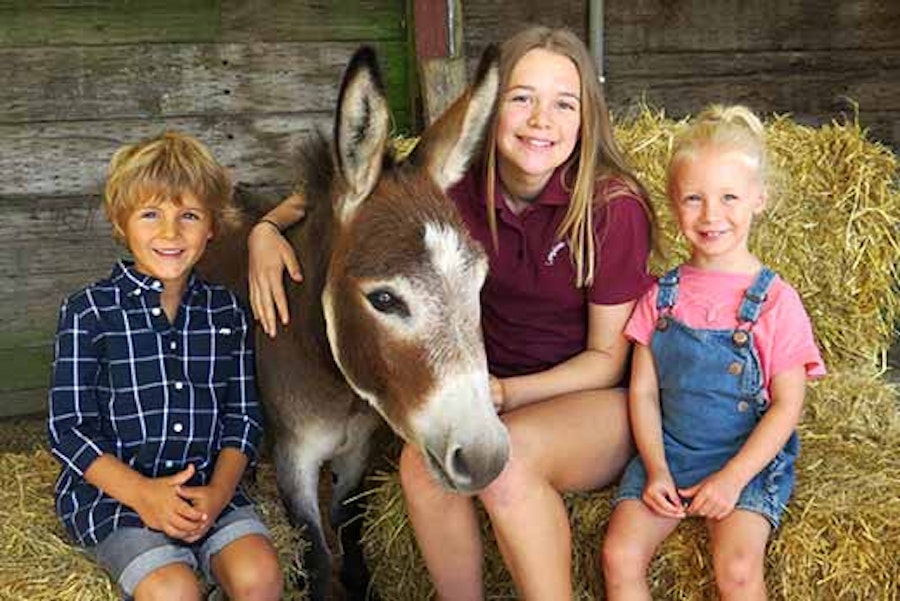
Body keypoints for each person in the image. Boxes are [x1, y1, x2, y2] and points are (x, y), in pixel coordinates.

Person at [247, 26, 656, 599]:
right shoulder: (451, 190)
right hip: (488, 395)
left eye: (565, 103)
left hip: (594, 402)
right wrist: (264, 228)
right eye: (522, 98)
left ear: (587, 117)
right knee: (420, 470)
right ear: (490, 111)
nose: (542, 120)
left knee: (507, 468)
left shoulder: (612, 208)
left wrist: (509, 394)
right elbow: (352, 190)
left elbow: (607, 360)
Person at [601, 105, 826, 600]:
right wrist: (656, 468)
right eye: (694, 199)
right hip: (672, 452)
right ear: (674, 204)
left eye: (729, 197)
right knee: (620, 554)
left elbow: (788, 404)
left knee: (739, 568)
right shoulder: (660, 295)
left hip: (744, 458)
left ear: (759, 200)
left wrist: (732, 479)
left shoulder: (774, 301)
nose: (711, 216)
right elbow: (643, 393)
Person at [48, 131, 283, 601]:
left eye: (189, 216)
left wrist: (218, 493)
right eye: (151, 214)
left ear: (212, 226)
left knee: (260, 576)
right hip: (118, 500)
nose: (170, 233)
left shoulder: (227, 312)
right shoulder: (89, 312)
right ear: (121, 223)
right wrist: (142, 494)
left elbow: (242, 420)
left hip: (209, 492)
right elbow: (68, 429)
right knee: (174, 592)